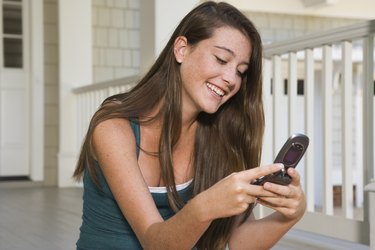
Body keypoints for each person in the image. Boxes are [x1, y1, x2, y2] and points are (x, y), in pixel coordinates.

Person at [73, 1, 306, 249]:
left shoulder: (219, 137)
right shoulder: (114, 127)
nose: (230, 79)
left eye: (240, 71)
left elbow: (240, 243)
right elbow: (155, 243)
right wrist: (206, 205)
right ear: (182, 49)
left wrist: (291, 214)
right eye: (221, 59)